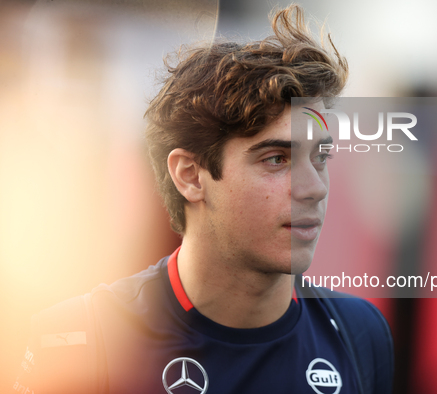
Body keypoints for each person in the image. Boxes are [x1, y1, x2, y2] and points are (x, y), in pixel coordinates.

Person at [13, 5, 393, 394]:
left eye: (320, 158)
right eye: (277, 159)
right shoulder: (79, 338)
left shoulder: (359, 332)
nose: (315, 188)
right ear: (190, 176)